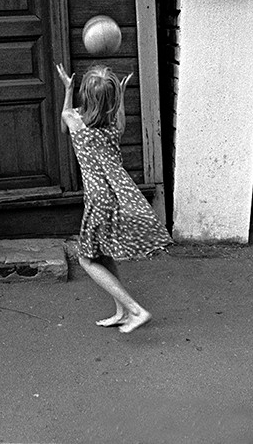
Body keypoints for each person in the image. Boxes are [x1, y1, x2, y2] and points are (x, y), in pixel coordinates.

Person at [56, 63, 172, 334]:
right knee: (103, 254)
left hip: (98, 199)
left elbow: (63, 126)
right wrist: (120, 95)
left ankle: (136, 310)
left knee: (86, 259)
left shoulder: (74, 119)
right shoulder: (114, 125)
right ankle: (121, 311)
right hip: (116, 196)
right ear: (112, 100)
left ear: (85, 94)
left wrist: (68, 88)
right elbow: (119, 115)